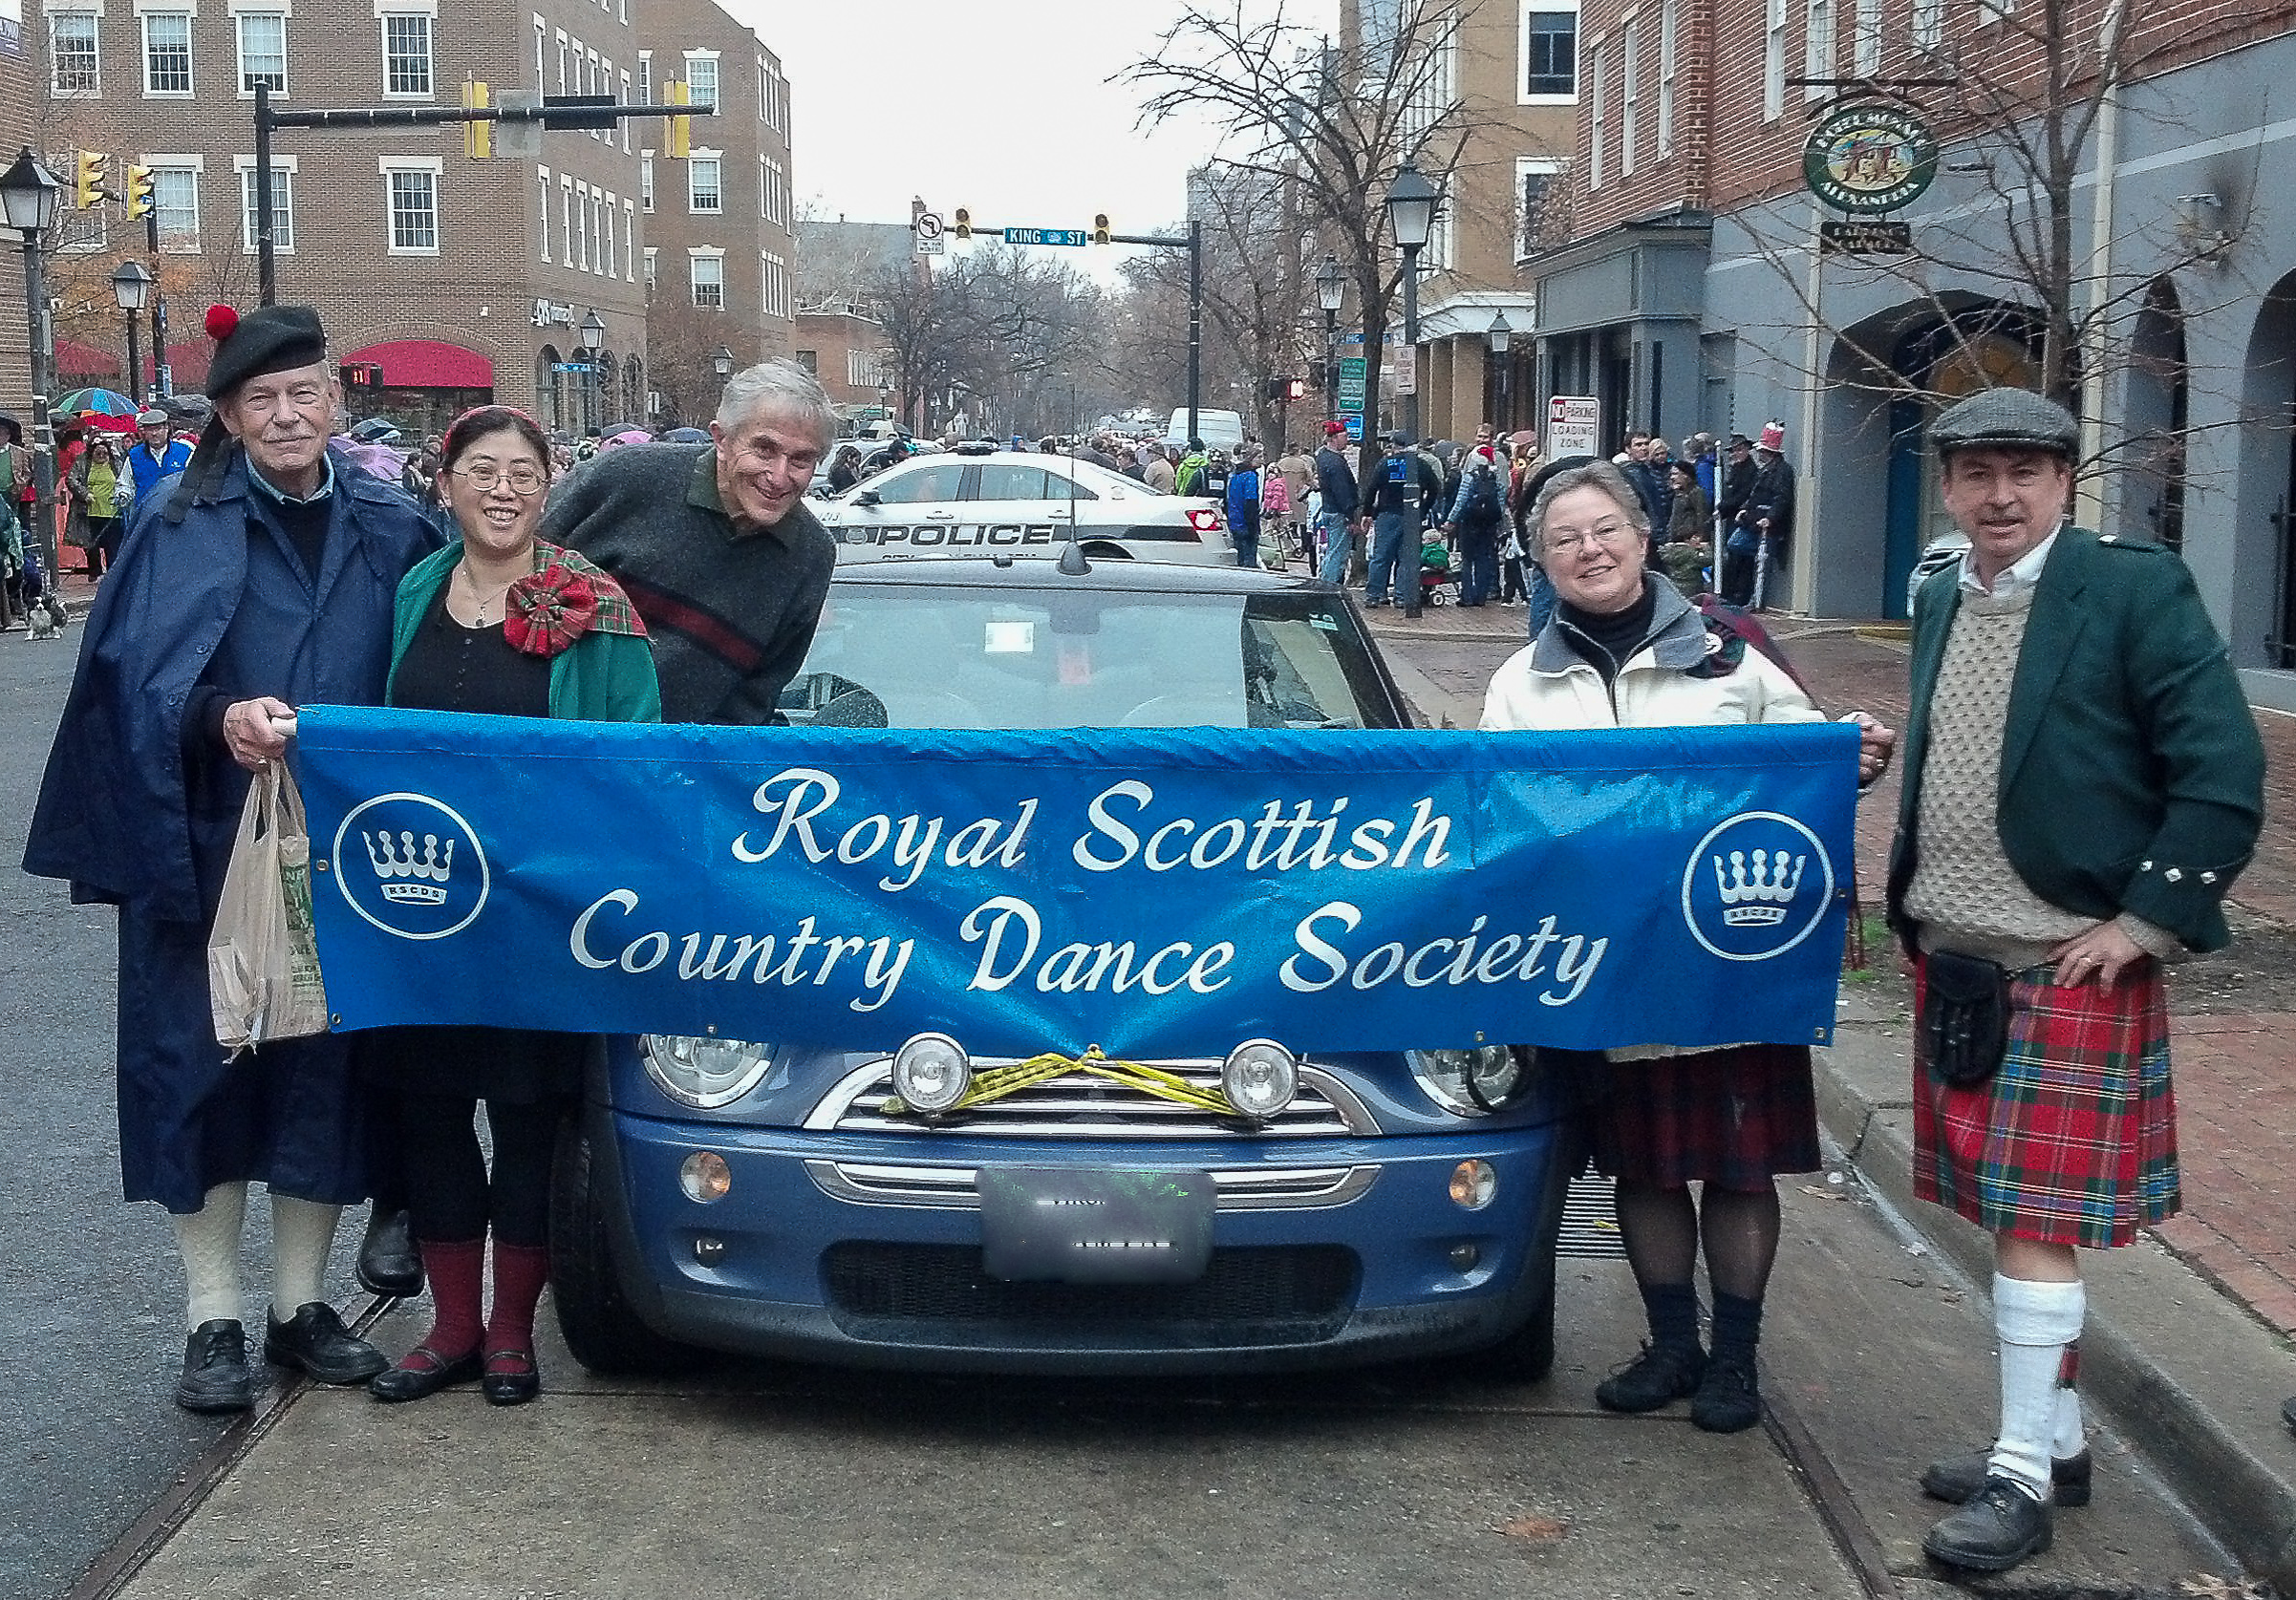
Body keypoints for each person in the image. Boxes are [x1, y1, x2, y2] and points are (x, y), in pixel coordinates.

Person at [23, 304, 445, 1414]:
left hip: (344, 851)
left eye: (305, 391)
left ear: (337, 399)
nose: (288, 414)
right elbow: (127, 687)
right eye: (262, 399)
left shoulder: (393, 523)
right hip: (203, 838)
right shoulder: (174, 523)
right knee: (198, 1067)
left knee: (324, 1067)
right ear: (228, 416)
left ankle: (300, 1308)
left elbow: (440, 668)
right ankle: (213, 1316)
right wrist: (218, 718)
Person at [1886, 389, 2264, 1573]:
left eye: (2026, 473)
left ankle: (2018, 1478)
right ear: (1947, 483)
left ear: (2064, 480)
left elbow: (2222, 765)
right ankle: (2055, 1439)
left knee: (2036, 1224)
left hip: (2064, 957)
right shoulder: (1945, 590)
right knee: (2003, 1211)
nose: (2001, 496)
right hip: (1959, 959)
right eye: (1978, 473)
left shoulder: (2130, 586)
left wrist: (2150, 918)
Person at [1483, 459, 1894, 1437]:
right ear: (1542, 562)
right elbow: (1499, 817)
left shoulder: (1734, 648)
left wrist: (1854, 759)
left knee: (1739, 1168)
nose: (1591, 550)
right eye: (1566, 540)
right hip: (1613, 970)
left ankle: (1737, 1360)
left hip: (1732, 955)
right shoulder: (1520, 682)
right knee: (1648, 1167)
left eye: (1605, 529)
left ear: (1642, 533)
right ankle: (1673, 1343)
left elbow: (1806, 768)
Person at [365, 406, 658, 1407]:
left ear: (550, 486)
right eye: (481, 471)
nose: (501, 490)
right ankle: (447, 1326)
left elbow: (634, 753)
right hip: (424, 911)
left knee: (528, 1120)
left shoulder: (597, 605)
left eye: (522, 474)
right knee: (433, 1113)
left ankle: (507, 1334)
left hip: (538, 917)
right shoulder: (413, 590)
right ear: (443, 482)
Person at [541, 358, 837, 724]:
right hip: (549, 741)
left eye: (801, 460)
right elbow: (513, 578)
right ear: (722, 440)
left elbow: (752, 704)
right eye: (764, 450)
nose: (778, 476)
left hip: (675, 766)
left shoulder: (810, 557)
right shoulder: (623, 479)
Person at [1364, 433, 1436, 615]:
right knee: (1406, 558)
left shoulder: (1384, 464)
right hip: (1411, 515)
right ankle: (1401, 596)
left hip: (1387, 514)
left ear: (1394, 446)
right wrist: (1423, 509)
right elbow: (1435, 488)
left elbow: (1372, 489)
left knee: (1381, 556)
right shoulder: (1421, 465)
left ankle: (1375, 595)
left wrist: (1368, 512)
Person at [1734, 422, 1795, 608]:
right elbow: (1755, 495)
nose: (1758, 454)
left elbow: (1781, 498)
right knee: (1736, 545)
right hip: (1754, 521)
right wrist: (1745, 509)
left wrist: (1770, 518)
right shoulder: (1766, 470)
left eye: (1761, 451)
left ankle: (1757, 601)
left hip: (1767, 526)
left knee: (1762, 564)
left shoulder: (1782, 472)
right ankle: (1753, 598)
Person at [1438, 442, 1507, 606]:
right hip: (1488, 523)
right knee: (1484, 558)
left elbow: (1461, 500)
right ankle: (1481, 595)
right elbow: (1501, 501)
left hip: (1469, 522)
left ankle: (1467, 596)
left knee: (1467, 559)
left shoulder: (1470, 475)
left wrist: (1450, 520)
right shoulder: (1495, 476)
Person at [65, 433, 130, 577]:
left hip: (113, 512)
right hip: (89, 512)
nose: (101, 455)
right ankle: (95, 571)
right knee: (91, 544)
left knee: (113, 545)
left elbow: (126, 481)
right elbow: (71, 479)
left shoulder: (117, 463)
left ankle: (112, 574)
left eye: (104, 452)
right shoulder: (82, 463)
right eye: (98, 452)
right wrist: (84, 494)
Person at [1314, 421, 1363, 585]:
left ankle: (1325, 583)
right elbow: (1342, 491)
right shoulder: (1335, 463)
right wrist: (1350, 517)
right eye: (1344, 436)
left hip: (1330, 509)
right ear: (1334, 438)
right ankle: (1328, 586)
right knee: (1338, 553)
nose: (1347, 440)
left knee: (1332, 551)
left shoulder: (1324, 457)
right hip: (1339, 513)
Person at [1716, 434, 1759, 606]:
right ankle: (1731, 594)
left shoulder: (1750, 472)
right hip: (1732, 518)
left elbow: (1743, 495)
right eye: (1734, 451)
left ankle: (1739, 596)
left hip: (1742, 519)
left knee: (1741, 559)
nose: (1736, 454)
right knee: (1733, 558)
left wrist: (1723, 506)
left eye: (1740, 450)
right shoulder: (1736, 470)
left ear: (1747, 450)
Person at [1659, 459, 1712, 593]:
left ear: (1686, 476)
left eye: (1676, 474)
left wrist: (1700, 536)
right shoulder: (1679, 494)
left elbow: (1702, 515)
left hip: (1690, 540)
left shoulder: (1696, 493)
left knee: (1689, 577)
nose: (1672, 477)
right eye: (1671, 474)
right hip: (1676, 541)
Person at [125, 408, 195, 505]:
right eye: (150, 430)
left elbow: (194, 482)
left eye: (158, 429)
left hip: (176, 511)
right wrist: (123, 495)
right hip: (144, 514)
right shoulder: (134, 455)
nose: (154, 434)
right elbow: (125, 484)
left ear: (166, 428)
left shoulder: (185, 452)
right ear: (144, 431)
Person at [1271, 439, 1315, 562]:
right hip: (1299, 495)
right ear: (1298, 451)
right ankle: (1305, 545)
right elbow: (1310, 478)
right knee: (1303, 520)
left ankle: (1284, 545)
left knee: (1283, 520)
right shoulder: (1302, 464)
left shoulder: (1280, 463)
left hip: (1283, 495)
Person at [1225, 444, 1263, 568]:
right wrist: (1253, 524)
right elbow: (1250, 500)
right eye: (1260, 457)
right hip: (1245, 522)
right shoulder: (1250, 476)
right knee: (1249, 556)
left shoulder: (1235, 475)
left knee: (1239, 555)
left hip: (1235, 519)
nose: (1262, 460)